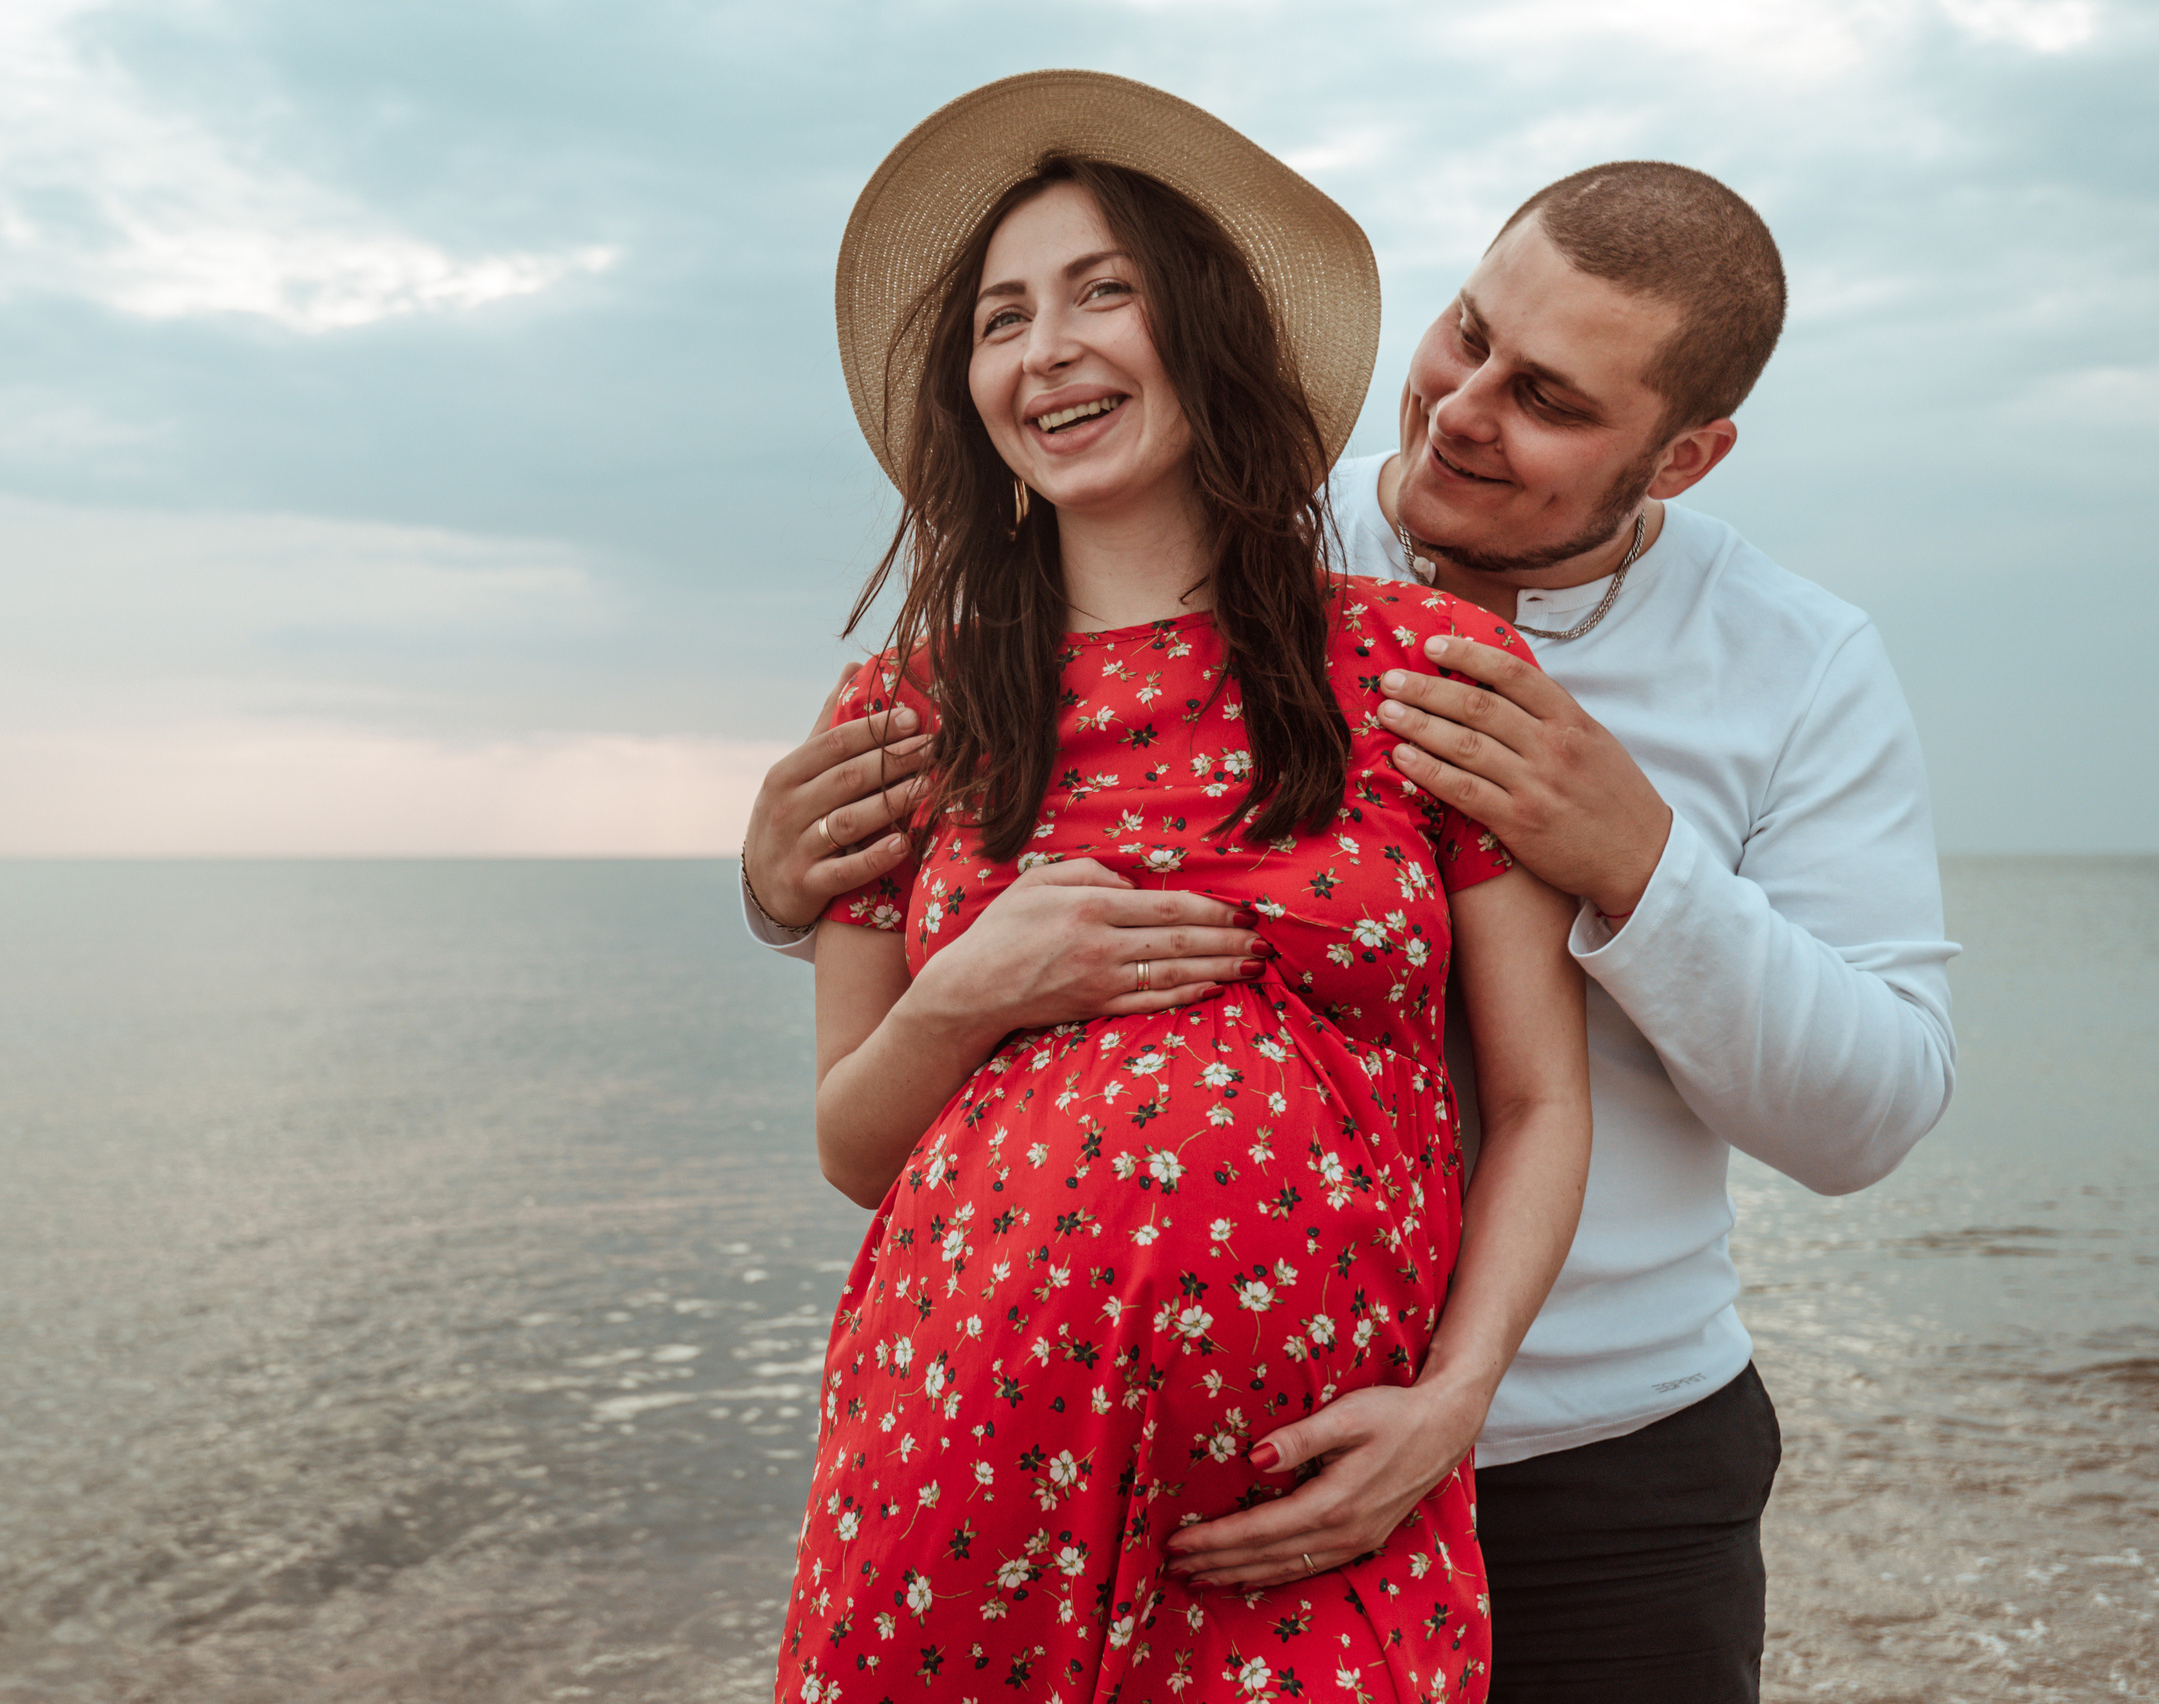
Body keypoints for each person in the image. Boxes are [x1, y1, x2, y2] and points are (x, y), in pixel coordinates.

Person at [744, 148, 1960, 1701]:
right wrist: (785, 889)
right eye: (1467, 335)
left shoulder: (1794, 663)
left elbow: (1870, 1113)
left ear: (1684, 457)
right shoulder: (1230, 522)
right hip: (1094, 1467)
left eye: (1551, 401)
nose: (1461, 409)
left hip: (1599, 1454)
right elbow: (956, 950)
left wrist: (1637, 860)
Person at [775, 72, 1593, 1704]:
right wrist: (969, 992)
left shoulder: (1425, 672)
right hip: (947, 1503)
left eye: (1102, 292)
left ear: (1208, 337)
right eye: (1002, 318)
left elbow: (1540, 1098)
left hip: (1312, 1514)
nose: (1046, 348)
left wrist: (1455, 1404)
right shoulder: (904, 714)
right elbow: (855, 1148)